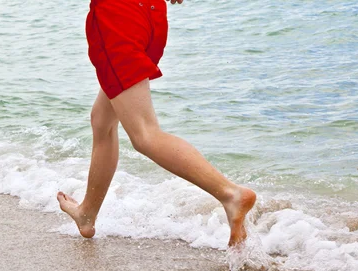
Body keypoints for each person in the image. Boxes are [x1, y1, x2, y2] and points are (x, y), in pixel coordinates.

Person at [57, 0, 256, 246]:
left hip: (117, 19)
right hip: (150, 16)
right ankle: (87, 215)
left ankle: (231, 194)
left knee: (144, 134)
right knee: (102, 121)